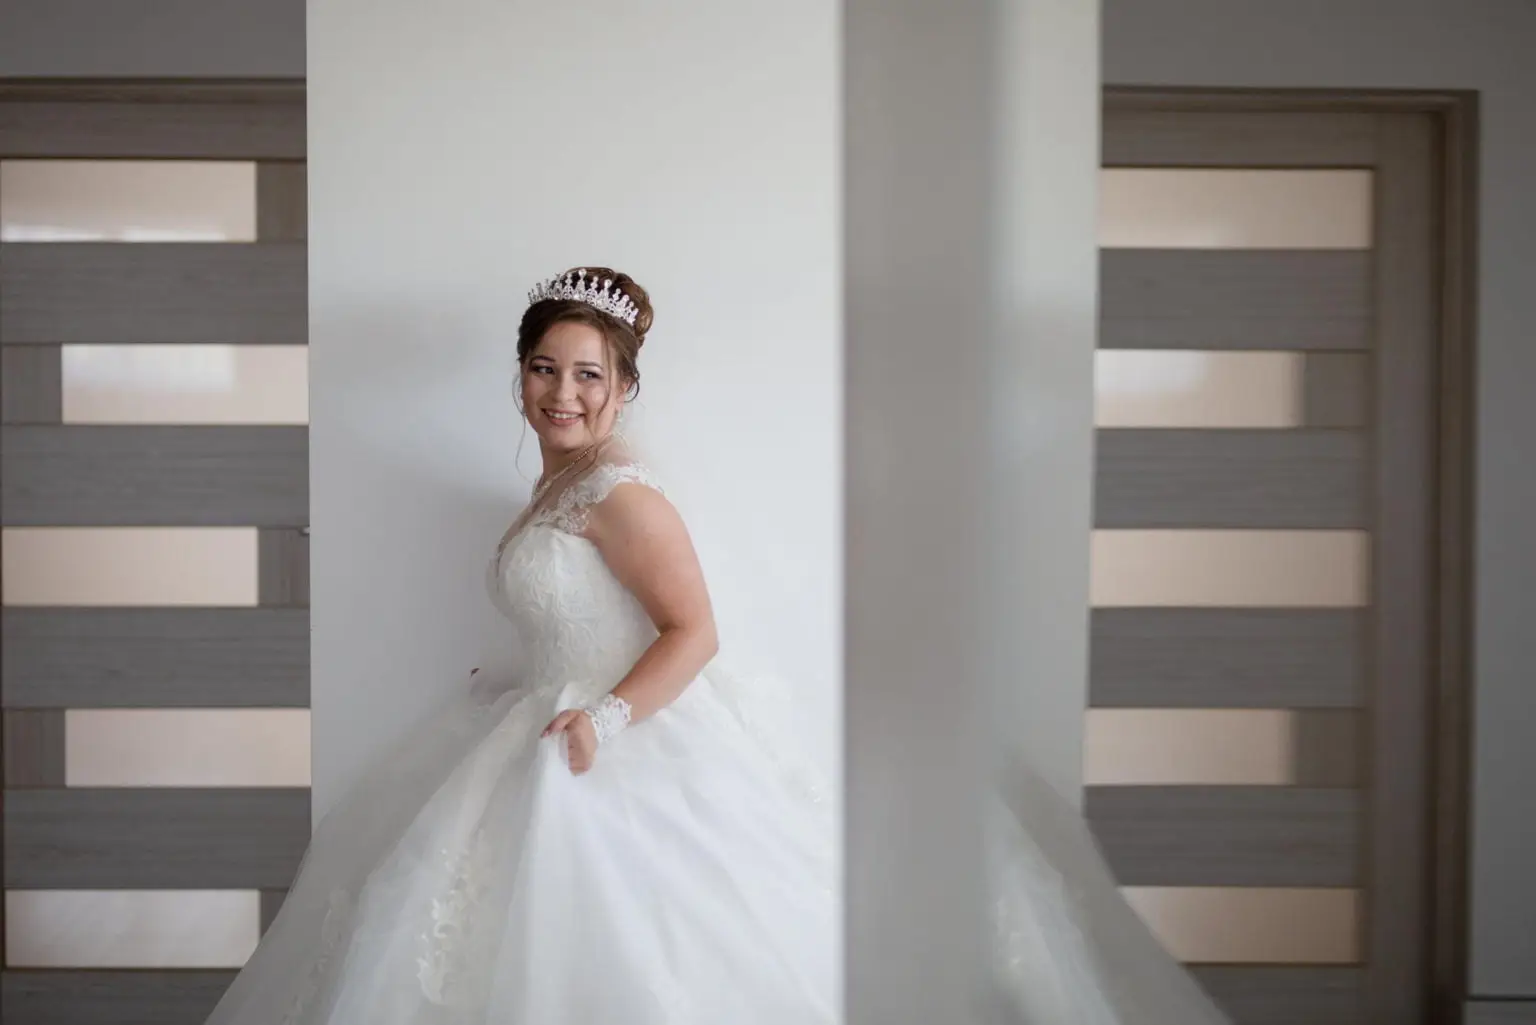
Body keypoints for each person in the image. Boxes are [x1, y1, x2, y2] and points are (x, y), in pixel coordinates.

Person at [206, 267, 1229, 1025]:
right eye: (544, 368)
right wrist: (522, 677)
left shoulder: (622, 494)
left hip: (620, 738)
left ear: (623, 386)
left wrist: (604, 719)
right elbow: (582, 618)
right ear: (519, 376)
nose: (563, 392)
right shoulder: (557, 485)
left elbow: (694, 630)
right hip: (546, 716)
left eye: (588, 374)